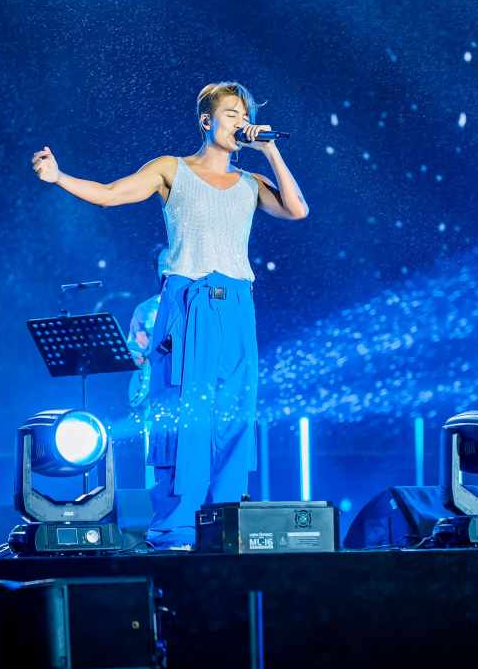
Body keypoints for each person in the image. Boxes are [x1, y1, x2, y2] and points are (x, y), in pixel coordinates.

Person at [32, 82, 309, 549]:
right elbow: (110, 194)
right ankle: (176, 531)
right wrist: (59, 177)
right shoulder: (171, 169)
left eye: (244, 116)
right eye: (230, 114)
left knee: (233, 417)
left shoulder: (250, 183)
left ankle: (226, 525)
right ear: (207, 121)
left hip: (237, 306)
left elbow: (297, 210)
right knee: (185, 416)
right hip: (188, 303)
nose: (238, 122)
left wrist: (270, 150)